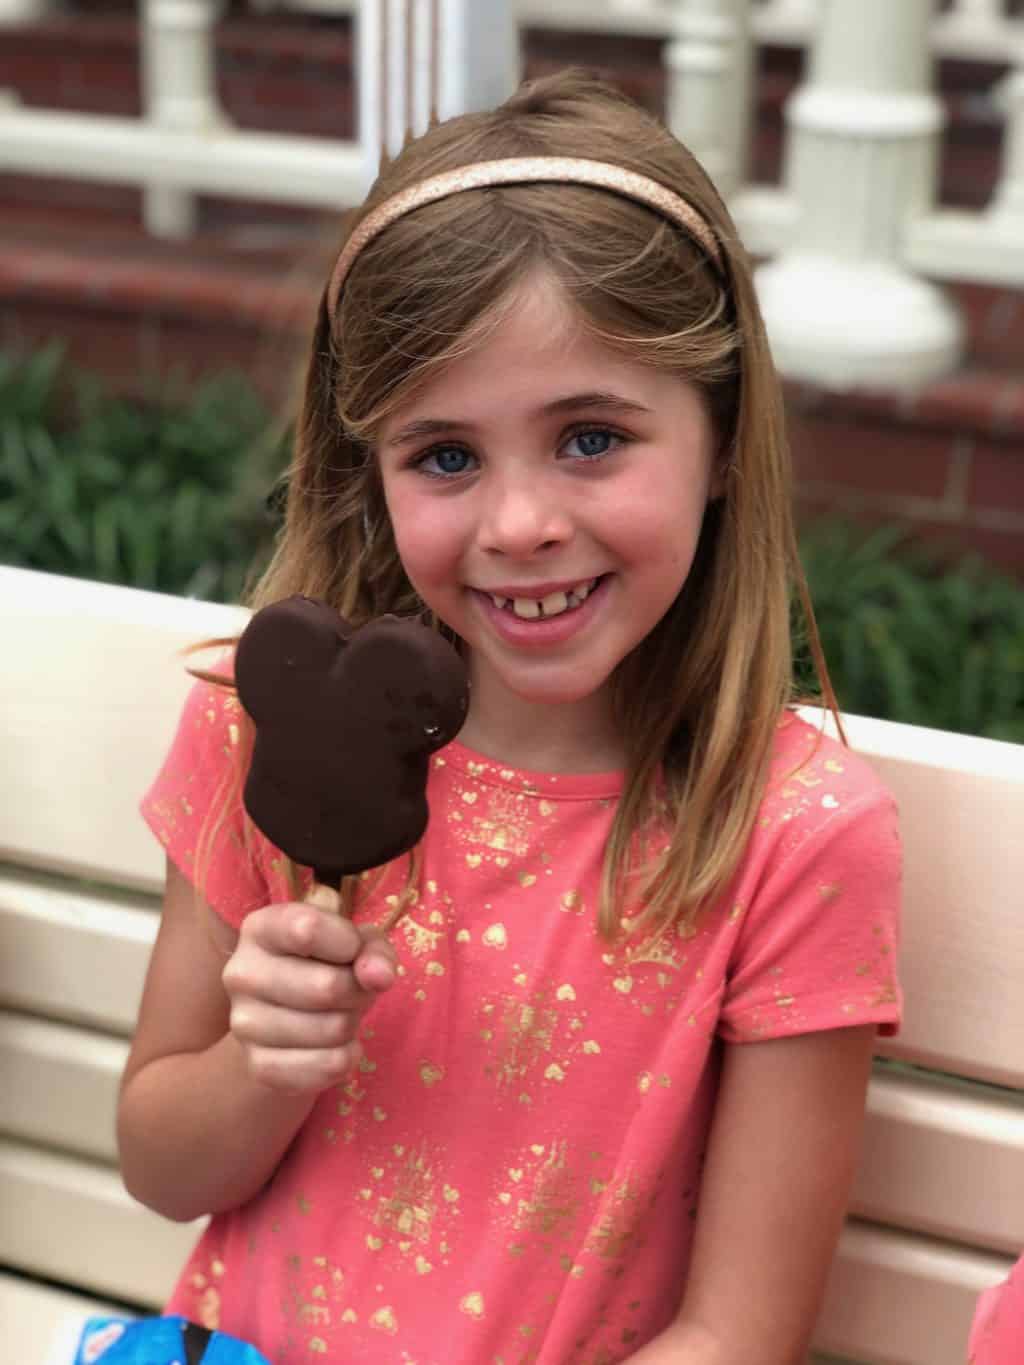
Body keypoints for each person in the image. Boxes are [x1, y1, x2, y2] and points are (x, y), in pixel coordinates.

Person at [118, 70, 902, 1365]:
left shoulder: (791, 833)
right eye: (445, 455)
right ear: (368, 473)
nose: (521, 521)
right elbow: (159, 1158)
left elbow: (737, 1331)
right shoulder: (263, 731)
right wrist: (265, 1059)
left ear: (720, 441)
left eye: (591, 437)